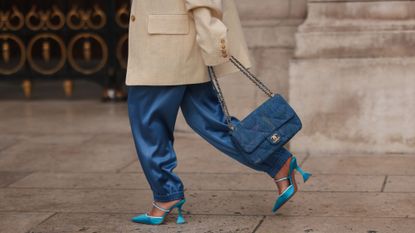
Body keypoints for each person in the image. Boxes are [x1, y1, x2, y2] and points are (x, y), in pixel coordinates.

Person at [126, 0, 311, 225]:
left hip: (163, 46)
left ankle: (166, 195)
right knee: (211, 121)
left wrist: (212, 37)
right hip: (177, 41)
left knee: (149, 123)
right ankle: (277, 163)